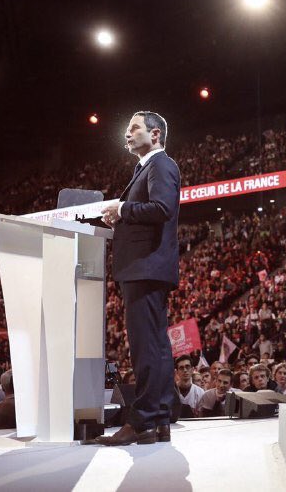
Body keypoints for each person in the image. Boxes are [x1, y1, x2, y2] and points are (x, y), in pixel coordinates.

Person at [97, 111, 181, 447]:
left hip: (146, 268)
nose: (127, 134)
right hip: (148, 268)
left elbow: (162, 208)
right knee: (156, 348)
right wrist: (122, 219)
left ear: (155, 134)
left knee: (147, 349)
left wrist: (123, 210)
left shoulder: (160, 165)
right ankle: (158, 420)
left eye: (134, 128)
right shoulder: (148, 168)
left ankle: (143, 420)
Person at [172, 355, 204, 419]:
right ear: (176, 372)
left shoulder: (200, 392)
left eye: (187, 367)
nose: (185, 370)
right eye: (181, 368)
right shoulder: (171, 391)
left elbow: (201, 417)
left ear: (192, 369)